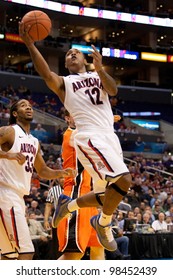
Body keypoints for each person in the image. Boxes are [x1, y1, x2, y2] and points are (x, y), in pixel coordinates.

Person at [19, 23, 132, 252]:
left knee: (104, 194)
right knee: (124, 180)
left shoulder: (96, 75)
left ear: (83, 59)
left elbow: (113, 91)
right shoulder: (64, 83)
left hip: (109, 136)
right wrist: (30, 44)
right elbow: (45, 73)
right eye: (68, 54)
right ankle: (103, 223)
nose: (71, 55)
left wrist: (100, 69)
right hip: (89, 136)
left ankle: (68, 206)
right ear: (66, 64)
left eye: (76, 53)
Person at [0, 99, 76, 260]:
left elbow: (42, 171)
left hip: (17, 197)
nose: (28, 106)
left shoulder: (34, 141)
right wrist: (8, 154)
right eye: (22, 105)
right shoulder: (9, 131)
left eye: (30, 105)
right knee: (26, 251)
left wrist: (63, 173)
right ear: (15, 113)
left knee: (9, 256)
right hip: (6, 194)